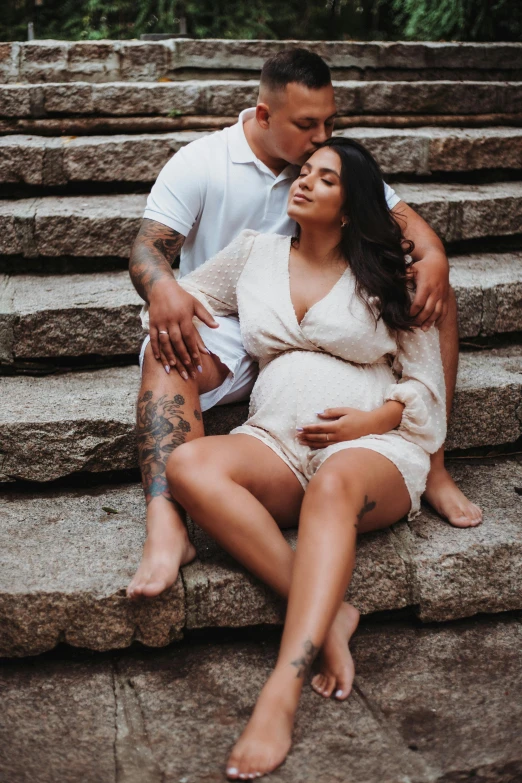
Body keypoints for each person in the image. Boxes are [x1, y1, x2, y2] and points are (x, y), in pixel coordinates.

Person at [126, 48, 481, 601]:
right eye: (307, 124)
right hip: (226, 319)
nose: (321, 136)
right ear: (264, 116)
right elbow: (148, 249)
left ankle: (434, 464)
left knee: (436, 292)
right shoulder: (201, 162)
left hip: (315, 321)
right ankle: (167, 521)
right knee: (163, 347)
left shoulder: (327, 163)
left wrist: (434, 258)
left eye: (330, 122)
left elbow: (406, 225)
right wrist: (164, 287)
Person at [165, 137, 447, 779]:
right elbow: (184, 301)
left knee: (336, 484)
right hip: (275, 442)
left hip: (374, 452)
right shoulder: (254, 255)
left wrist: (377, 419)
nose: (306, 183)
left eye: (326, 179)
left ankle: (281, 692)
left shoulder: (387, 274)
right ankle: (330, 610)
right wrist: (173, 309)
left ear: (350, 210)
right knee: (190, 466)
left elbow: (426, 382)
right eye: (305, 172)